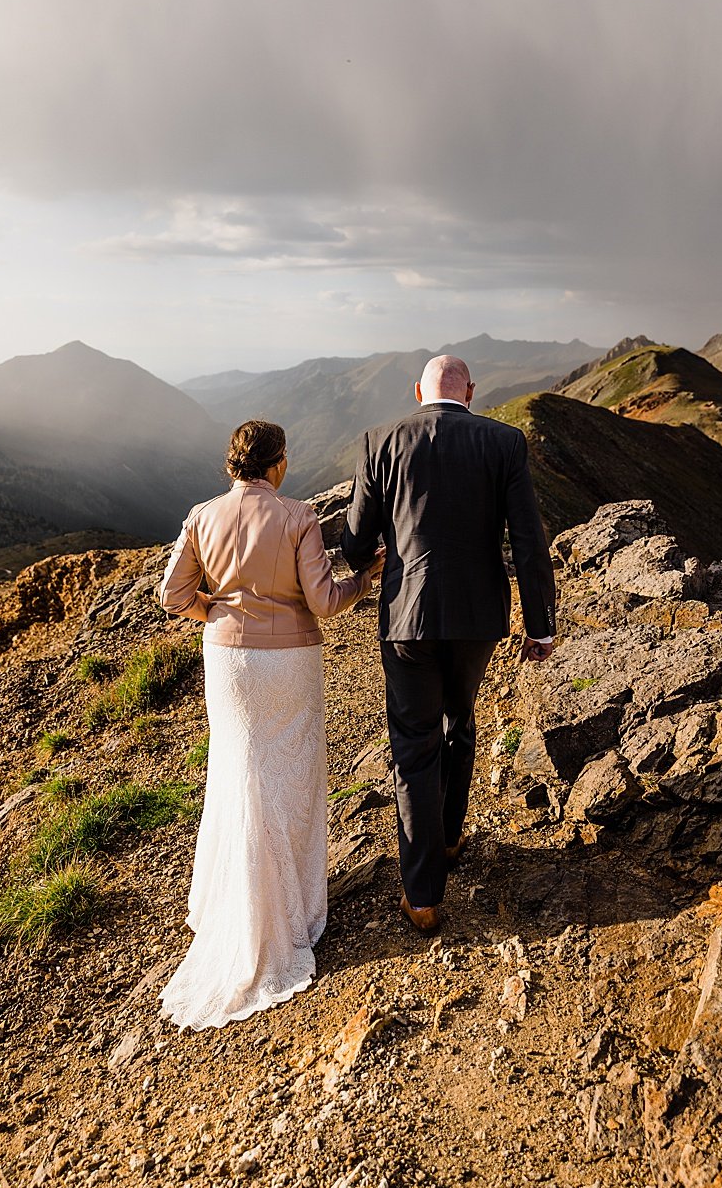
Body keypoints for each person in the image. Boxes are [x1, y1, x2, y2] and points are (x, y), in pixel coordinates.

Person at [156, 420, 380, 1029]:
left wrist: (219, 612)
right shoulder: (297, 516)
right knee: (290, 776)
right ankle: (290, 912)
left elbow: (171, 596)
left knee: (236, 772)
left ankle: (235, 903)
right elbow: (324, 602)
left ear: (234, 465)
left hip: (228, 660)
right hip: (287, 663)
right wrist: (365, 578)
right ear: (276, 464)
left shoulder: (201, 517)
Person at [340, 354, 557, 934]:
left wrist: (374, 557)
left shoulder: (380, 440)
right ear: (472, 392)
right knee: (460, 719)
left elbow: (357, 542)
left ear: (418, 391)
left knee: (414, 748)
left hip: (406, 617)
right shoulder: (504, 442)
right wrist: (540, 626)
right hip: (479, 617)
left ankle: (423, 894)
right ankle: (454, 835)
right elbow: (530, 540)